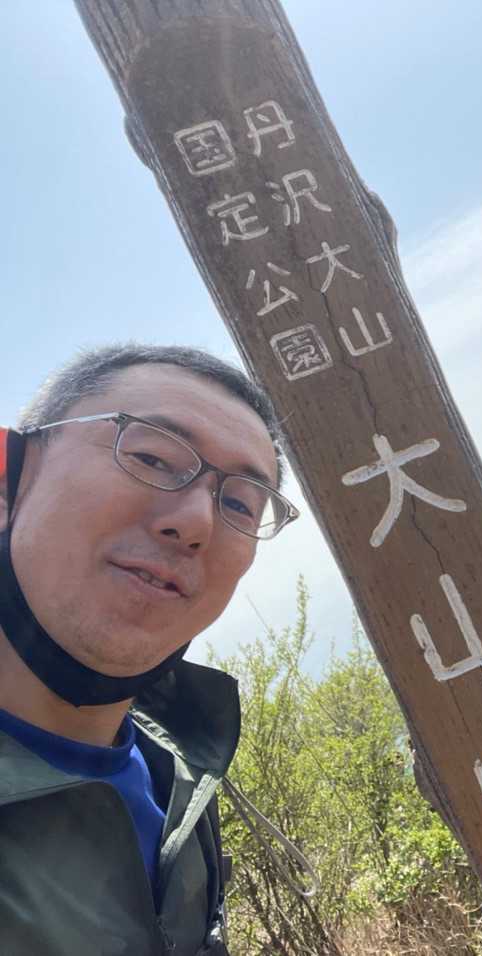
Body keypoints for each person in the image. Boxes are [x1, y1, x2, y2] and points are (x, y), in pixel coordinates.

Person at [0, 344, 299, 956]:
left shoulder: (181, 768)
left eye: (239, 503)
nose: (196, 523)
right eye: (152, 458)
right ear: (9, 476)